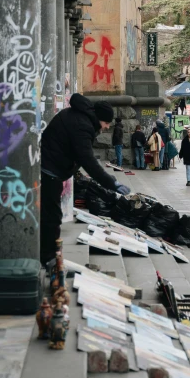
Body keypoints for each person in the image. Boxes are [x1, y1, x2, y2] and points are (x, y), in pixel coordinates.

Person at [40, 96, 130, 265]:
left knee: (50, 214)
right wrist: (112, 183)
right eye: (107, 123)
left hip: (52, 168)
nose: (107, 127)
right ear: (100, 119)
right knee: (51, 216)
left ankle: (50, 253)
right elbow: (88, 161)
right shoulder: (83, 126)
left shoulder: (80, 117)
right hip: (50, 170)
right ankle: (48, 258)